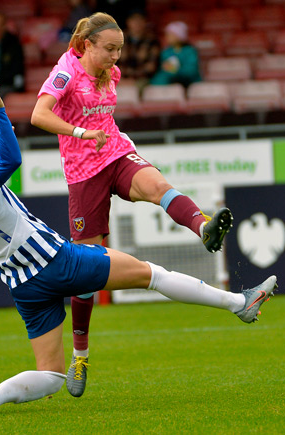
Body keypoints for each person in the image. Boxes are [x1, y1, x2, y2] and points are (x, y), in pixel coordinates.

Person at [0, 78, 276, 418]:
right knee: (152, 275)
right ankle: (239, 303)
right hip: (56, 261)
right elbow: (10, 162)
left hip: (22, 285)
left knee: (51, 375)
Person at [30, 12, 233, 399]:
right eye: (109, 49)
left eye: (120, 50)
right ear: (87, 44)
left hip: (116, 154)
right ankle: (81, 354)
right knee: (87, 270)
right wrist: (79, 131)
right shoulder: (65, 72)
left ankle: (203, 227)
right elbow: (39, 114)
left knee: (157, 184)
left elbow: (105, 117)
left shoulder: (112, 74)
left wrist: (108, 137)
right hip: (83, 175)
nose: (116, 58)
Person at [150, 21, 201, 87]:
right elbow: (163, 71)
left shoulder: (190, 51)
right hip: (170, 84)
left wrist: (175, 70)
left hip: (190, 84)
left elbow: (191, 71)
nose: (167, 37)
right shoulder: (166, 52)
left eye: (170, 34)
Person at [119, 9, 161, 89]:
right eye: (134, 20)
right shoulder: (119, 40)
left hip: (142, 79)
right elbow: (113, 63)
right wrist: (123, 78)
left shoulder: (152, 41)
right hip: (121, 78)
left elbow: (151, 67)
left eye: (140, 20)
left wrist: (133, 78)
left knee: (139, 86)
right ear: (128, 22)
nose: (137, 23)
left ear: (145, 22)